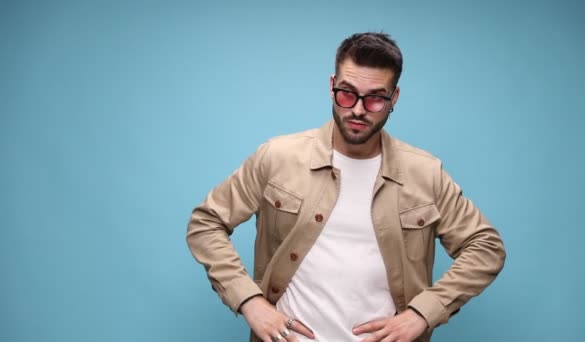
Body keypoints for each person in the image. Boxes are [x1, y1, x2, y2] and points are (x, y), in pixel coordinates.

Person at [187, 32, 506, 342]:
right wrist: (250, 302)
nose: (357, 109)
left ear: (393, 98)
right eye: (347, 93)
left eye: (375, 99)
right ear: (331, 87)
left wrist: (422, 314)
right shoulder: (277, 157)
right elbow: (206, 223)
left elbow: (486, 249)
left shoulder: (425, 174)